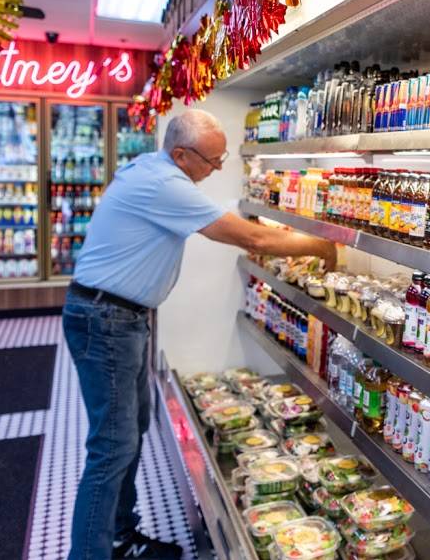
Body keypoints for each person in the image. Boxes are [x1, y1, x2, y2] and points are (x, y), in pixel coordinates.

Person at [63, 109, 336, 559]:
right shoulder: (165, 184)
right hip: (106, 320)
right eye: (212, 160)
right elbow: (253, 240)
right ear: (180, 155)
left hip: (117, 318)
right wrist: (321, 244)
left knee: (129, 432)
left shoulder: (152, 170)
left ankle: (119, 537)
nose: (217, 168)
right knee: (112, 446)